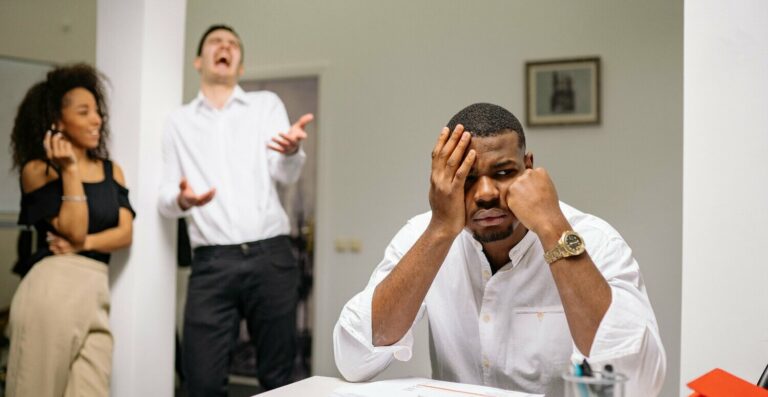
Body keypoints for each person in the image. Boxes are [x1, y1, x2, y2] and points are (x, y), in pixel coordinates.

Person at [333, 103, 666, 396]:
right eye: (467, 177)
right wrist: (440, 230)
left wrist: (552, 228)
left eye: (503, 173)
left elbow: (635, 384)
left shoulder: (594, 240)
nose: (487, 193)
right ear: (442, 180)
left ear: (529, 168)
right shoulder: (425, 235)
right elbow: (353, 359)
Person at [158, 24, 313, 395]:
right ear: (199, 60)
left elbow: (285, 173)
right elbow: (164, 195)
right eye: (216, 42)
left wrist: (292, 152)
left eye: (233, 44)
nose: (225, 47)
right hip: (212, 265)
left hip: (270, 256)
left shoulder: (266, 105)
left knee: (280, 381)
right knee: (201, 382)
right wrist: (182, 200)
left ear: (240, 66)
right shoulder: (178, 122)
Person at [6, 63, 135, 397]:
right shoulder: (39, 169)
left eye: (97, 111)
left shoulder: (112, 171)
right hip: (51, 289)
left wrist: (82, 244)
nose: (97, 119)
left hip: (96, 291)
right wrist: (71, 169)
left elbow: (124, 234)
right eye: (84, 111)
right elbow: (74, 228)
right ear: (58, 122)